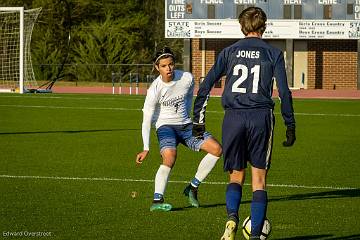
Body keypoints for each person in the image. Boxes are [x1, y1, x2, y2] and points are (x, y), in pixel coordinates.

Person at [192, 7, 296, 240]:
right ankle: (256, 233)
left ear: (241, 27)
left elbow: (206, 86)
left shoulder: (228, 51)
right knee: (258, 179)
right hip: (260, 117)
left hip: (233, 117)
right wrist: (290, 124)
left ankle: (231, 219)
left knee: (236, 175)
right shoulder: (273, 53)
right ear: (264, 27)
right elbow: (285, 93)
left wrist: (198, 122)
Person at [136, 47, 222, 212]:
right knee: (169, 156)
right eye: (163, 66)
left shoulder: (187, 78)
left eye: (171, 64)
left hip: (186, 125)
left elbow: (189, 96)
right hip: (165, 127)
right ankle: (157, 200)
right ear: (157, 68)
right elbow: (146, 119)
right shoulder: (154, 89)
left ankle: (193, 187)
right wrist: (145, 148)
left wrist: (190, 118)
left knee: (217, 150)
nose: (168, 68)